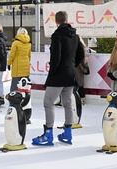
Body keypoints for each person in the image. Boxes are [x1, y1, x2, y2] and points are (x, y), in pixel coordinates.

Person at [32, 11, 84, 146]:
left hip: (59, 75)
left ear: (56, 21)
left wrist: (53, 72)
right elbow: (81, 55)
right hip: (71, 75)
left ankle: (48, 134)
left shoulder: (57, 36)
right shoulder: (75, 36)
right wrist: (72, 66)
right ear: (67, 20)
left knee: (48, 102)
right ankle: (68, 133)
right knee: (67, 103)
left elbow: (56, 57)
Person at [7, 27, 31, 92]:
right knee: (25, 84)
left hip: (17, 67)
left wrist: (8, 63)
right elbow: (29, 56)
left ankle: (13, 100)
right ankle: (25, 98)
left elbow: (12, 55)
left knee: (15, 85)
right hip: (26, 66)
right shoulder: (29, 44)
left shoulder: (16, 43)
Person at [76, 36, 90, 105]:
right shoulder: (82, 48)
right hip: (79, 68)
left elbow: (82, 59)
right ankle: (81, 99)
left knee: (79, 84)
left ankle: (81, 100)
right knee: (79, 84)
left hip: (79, 67)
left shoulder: (79, 48)